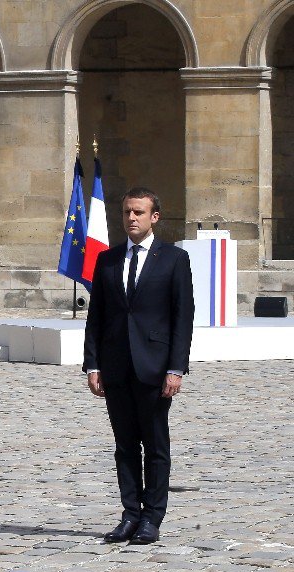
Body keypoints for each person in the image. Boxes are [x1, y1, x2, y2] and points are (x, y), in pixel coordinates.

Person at [83, 187, 195, 545]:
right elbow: (96, 316)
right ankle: (130, 514)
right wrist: (93, 364)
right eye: (127, 212)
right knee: (125, 446)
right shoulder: (108, 260)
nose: (131, 218)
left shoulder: (174, 259)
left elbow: (182, 318)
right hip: (116, 368)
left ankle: (152, 517)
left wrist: (176, 368)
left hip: (154, 368)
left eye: (139, 213)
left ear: (154, 217)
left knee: (155, 445)